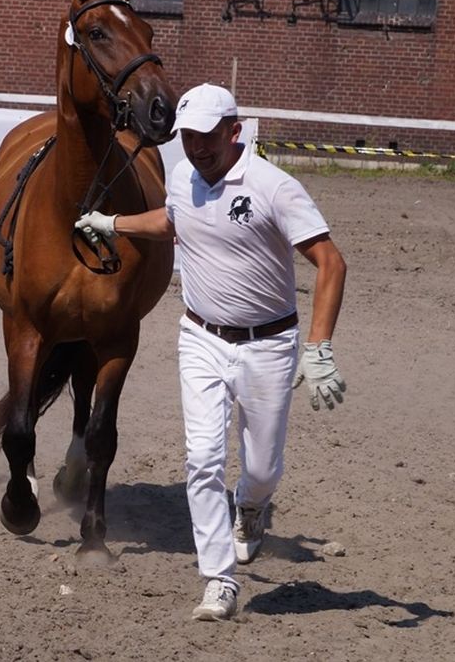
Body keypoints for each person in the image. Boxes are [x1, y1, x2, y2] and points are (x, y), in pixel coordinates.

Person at [75, 83, 347, 621]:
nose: (196, 148)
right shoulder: (181, 176)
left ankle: (252, 504)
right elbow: (173, 221)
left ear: (233, 131)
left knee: (264, 469)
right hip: (200, 338)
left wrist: (318, 349)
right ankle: (219, 581)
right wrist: (114, 223)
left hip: (268, 344)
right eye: (188, 138)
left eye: (206, 138)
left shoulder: (274, 187)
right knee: (201, 460)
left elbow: (331, 263)